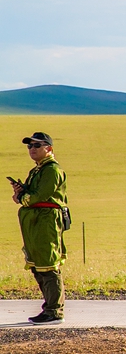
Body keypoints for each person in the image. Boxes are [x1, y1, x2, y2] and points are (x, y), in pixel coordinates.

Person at [11, 132, 69, 324]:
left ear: (49, 148)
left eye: (37, 145)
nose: (32, 149)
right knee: (38, 265)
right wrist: (21, 192)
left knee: (48, 264)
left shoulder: (52, 170)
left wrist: (23, 198)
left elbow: (38, 196)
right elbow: (30, 196)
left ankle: (54, 311)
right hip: (35, 221)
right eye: (29, 146)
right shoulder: (37, 170)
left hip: (46, 221)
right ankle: (49, 308)